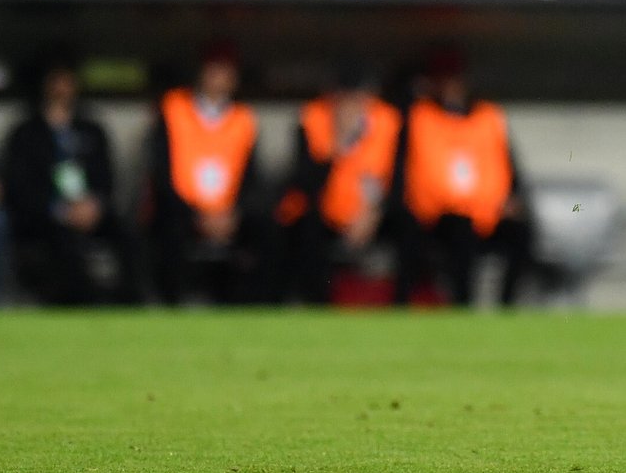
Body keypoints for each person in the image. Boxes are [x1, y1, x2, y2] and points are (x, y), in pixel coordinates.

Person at [393, 50, 531, 306]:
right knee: (459, 231)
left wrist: (515, 197)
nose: (450, 87)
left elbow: (510, 166)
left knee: (521, 232)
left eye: (454, 80)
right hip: (437, 217)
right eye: (443, 80)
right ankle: (461, 308)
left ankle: (507, 308)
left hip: (487, 213)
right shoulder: (419, 115)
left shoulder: (487, 116)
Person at [0, 53, 136, 303]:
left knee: (128, 234)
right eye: (56, 80)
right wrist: (60, 211)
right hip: (46, 218)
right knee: (63, 242)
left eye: (68, 80)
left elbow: (106, 179)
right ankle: (82, 304)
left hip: (90, 211)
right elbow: (19, 188)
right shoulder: (26, 133)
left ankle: (130, 304)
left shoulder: (91, 129)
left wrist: (94, 205)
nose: (63, 87)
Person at [143, 45, 274, 304]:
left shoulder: (243, 119)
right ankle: (172, 305)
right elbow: (161, 173)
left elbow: (252, 180)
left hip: (228, 214)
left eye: (226, 71)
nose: (219, 77)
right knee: (166, 228)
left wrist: (232, 214)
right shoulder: (173, 108)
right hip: (183, 211)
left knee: (267, 230)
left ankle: (254, 308)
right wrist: (197, 215)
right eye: (214, 69)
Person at [278, 67, 401, 304]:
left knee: (409, 225)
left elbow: (397, 180)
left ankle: (403, 308)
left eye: (358, 97)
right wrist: (340, 144)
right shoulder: (313, 119)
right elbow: (306, 186)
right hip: (325, 213)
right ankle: (317, 308)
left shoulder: (388, 121)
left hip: (372, 215)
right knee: (304, 230)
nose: (351, 105)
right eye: (344, 97)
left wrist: (374, 214)